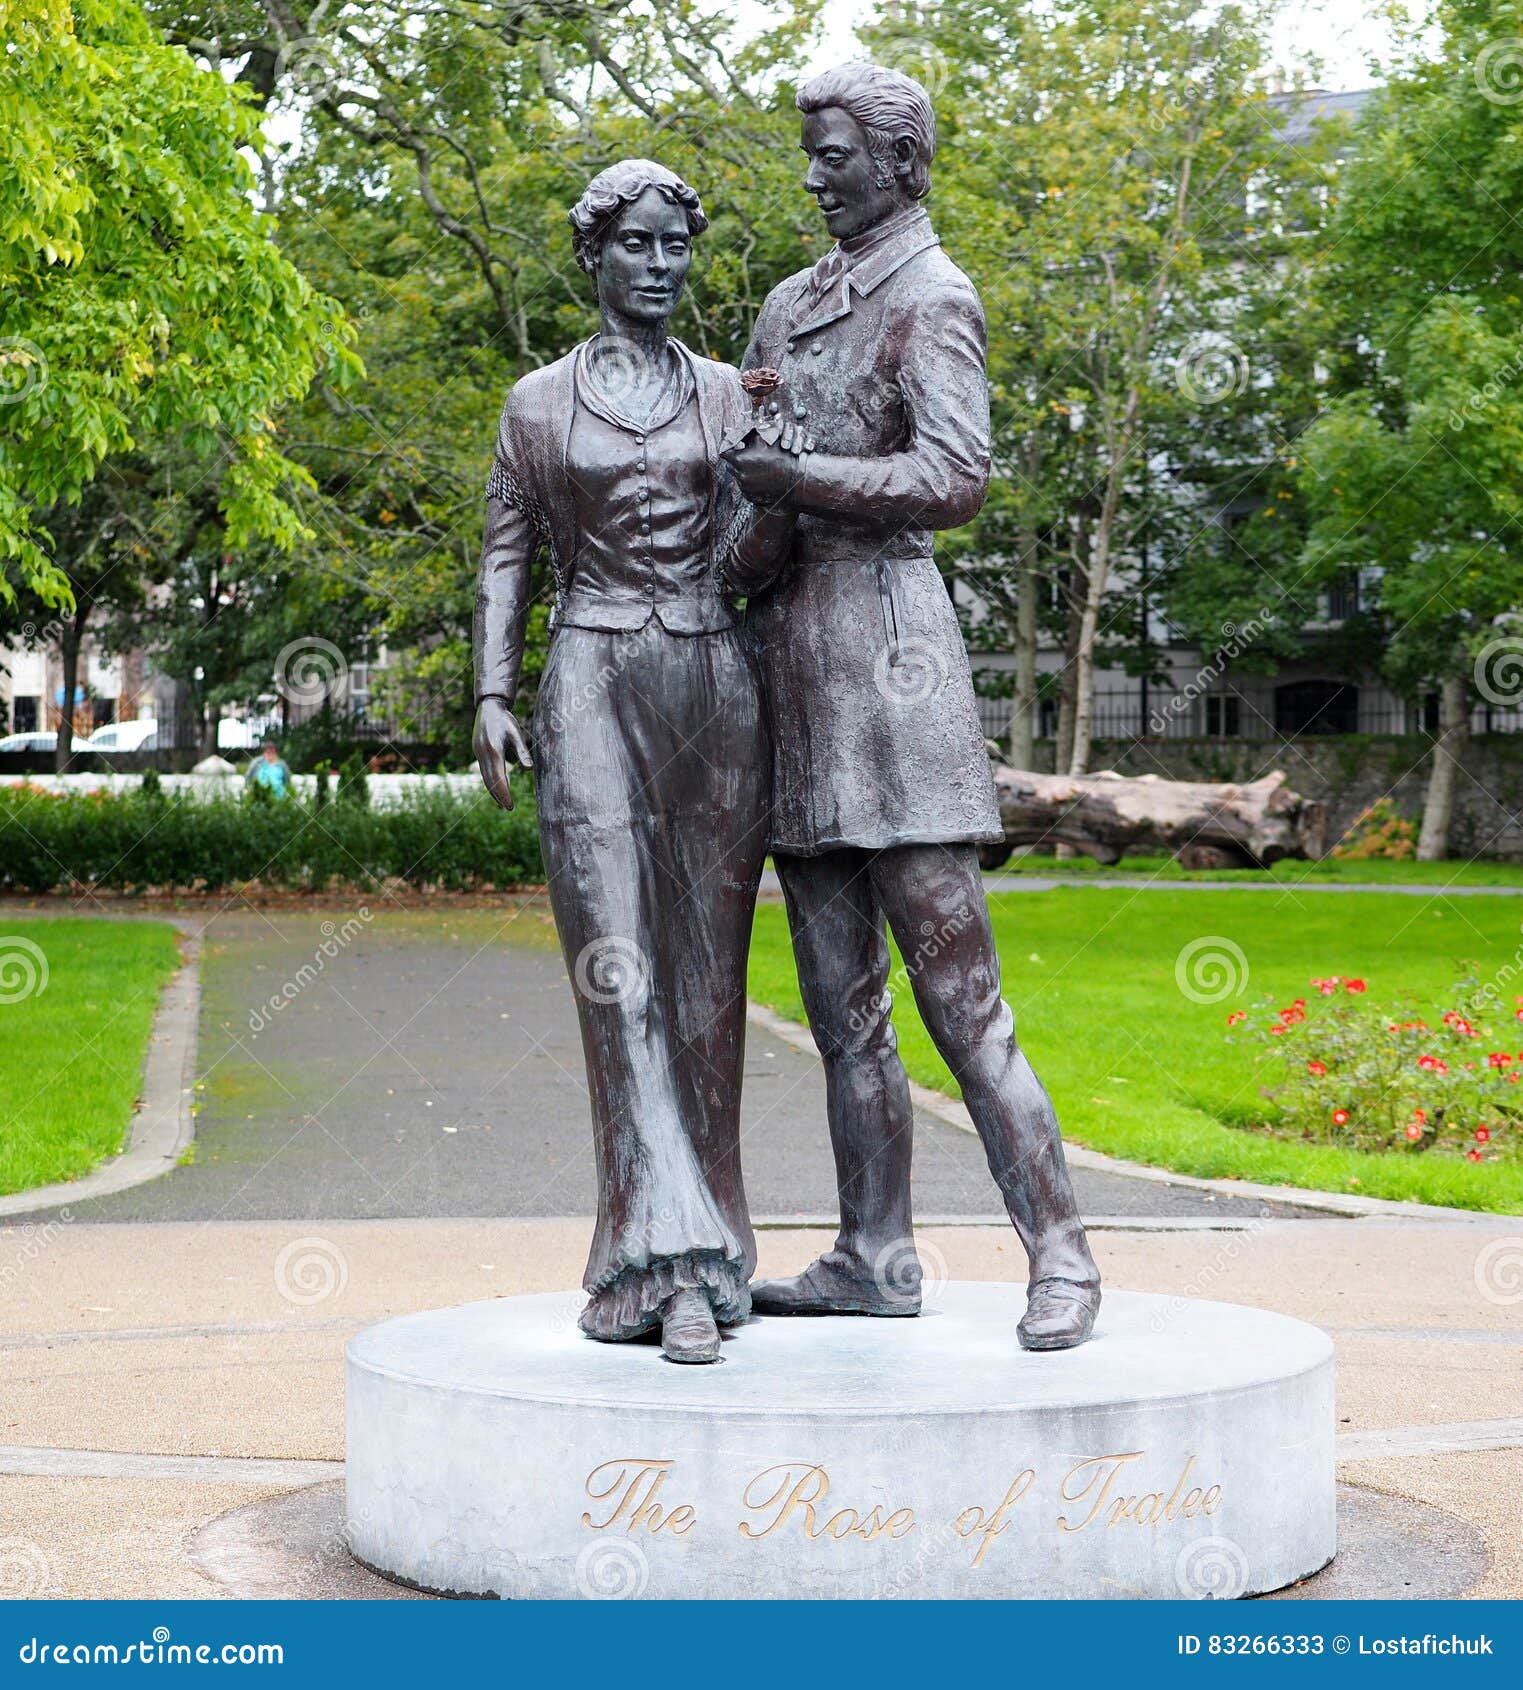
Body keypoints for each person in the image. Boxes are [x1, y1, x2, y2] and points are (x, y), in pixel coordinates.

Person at [722, 63, 1102, 1351]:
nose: (815, 174)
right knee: (840, 1004)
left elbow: (953, 477)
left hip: (894, 672)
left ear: (900, 163)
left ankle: (1061, 1250)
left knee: (958, 996)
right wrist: (752, 515)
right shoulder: (786, 304)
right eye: (811, 154)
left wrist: (795, 478)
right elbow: (756, 495)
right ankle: (872, 1250)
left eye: (835, 154)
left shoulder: (933, 297)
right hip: (798, 678)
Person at [472, 160, 795, 1364]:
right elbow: (507, 556)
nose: (659, 265)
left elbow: (755, 558)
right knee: (618, 973)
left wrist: (782, 474)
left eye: (675, 247)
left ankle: (712, 1251)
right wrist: (490, 691)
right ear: (596, 256)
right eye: (638, 245)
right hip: (592, 679)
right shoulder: (536, 404)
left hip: (716, 686)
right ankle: (661, 1269)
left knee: (709, 988)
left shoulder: (728, 393)